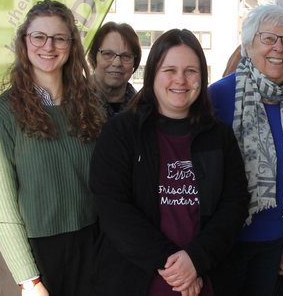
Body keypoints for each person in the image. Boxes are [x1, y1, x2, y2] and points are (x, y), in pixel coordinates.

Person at [91, 29, 249, 296]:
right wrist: (175, 266)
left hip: (204, 279)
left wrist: (196, 260)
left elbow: (235, 205)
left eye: (190, 71)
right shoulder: (122, 131)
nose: (180, 80)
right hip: (135, 280)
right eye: (170, 70)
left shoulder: (219, 135)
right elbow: (112, 207)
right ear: (153, 74)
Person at [0, 0, 105, 295]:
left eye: (59, 37)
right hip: (33, 256)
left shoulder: (92, 107)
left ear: (71, 45)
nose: (48, 46)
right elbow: (2, 210)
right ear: (24, 42)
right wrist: (29, 280)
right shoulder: (1, 116)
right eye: (39, 36)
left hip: (90, 249)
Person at [209, 5, 283, 296]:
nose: (279, 48)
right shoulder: (218, 96)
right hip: (227, 242)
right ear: (248, 45)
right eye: (269, 38)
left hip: (275, 243)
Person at [87, 21, 141, 118]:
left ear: (135, 62)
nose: (117, 63)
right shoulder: (73, 103)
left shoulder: (143, 110)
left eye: (126, 56)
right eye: (108, 54)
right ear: (94, 57)